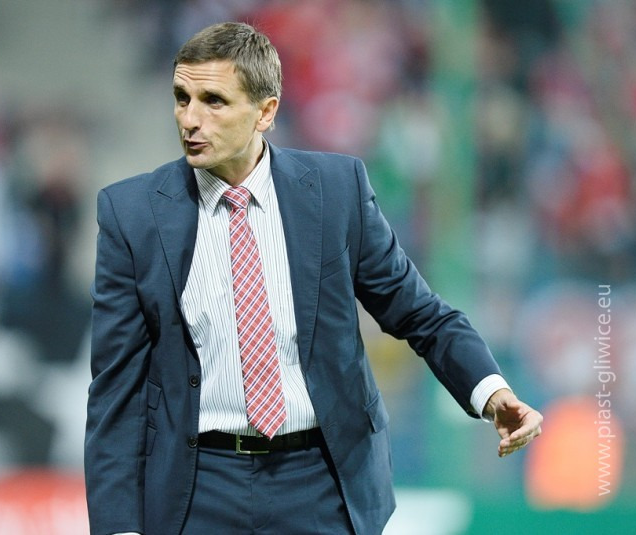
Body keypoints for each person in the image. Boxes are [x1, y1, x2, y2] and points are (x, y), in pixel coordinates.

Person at [85, 21, 543, 535]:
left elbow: (420, 314)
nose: (190, 118)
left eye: (214, 101)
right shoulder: (132, 214)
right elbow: (115, 389)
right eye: (181, 97)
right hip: (196, 487)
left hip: (322, 483)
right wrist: (119, 527)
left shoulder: (336, 190)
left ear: (266, 111)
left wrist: (491, 392)